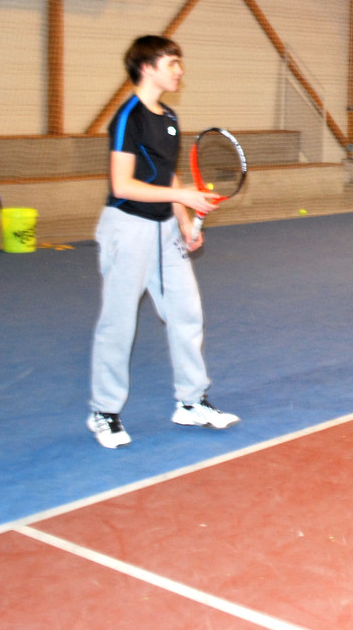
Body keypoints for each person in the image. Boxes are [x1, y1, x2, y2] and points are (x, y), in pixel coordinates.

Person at [87, 35, 239, 449]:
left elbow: (168, 176)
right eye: (172, 62)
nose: (180, 70)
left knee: (187, 314)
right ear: (148, 66)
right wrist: (181, 196)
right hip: (127, 228)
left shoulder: (169, 116)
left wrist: (186, 221)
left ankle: (191, 402)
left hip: (165, 231)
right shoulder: (127, 117)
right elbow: (123, 184)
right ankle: (105, 411)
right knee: (119, 323)